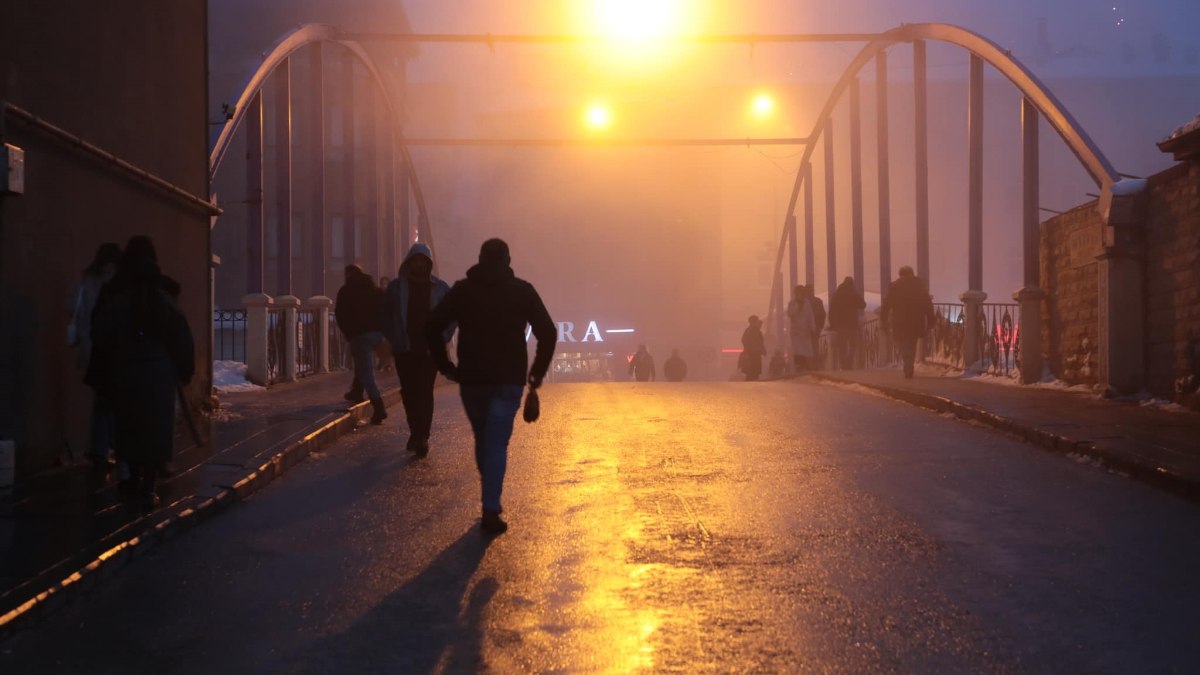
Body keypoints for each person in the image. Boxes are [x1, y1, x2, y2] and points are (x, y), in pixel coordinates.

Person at [426, 238, 555, 535]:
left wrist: (445, 365)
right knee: (496, 442)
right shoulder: (522, 291)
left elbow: (432, 327)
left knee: (484, 439)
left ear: (480, 258)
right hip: (509, 378)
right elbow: (548, 332)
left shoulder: (462, 291)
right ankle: (490, 507)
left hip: (472, 379)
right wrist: (535, 375)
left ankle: (490, 499)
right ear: (508, 260)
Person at [86, 236, 194, 509]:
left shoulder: (117, 300)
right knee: (155, 428)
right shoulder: (164, 300)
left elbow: (99, 333)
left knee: (129, 427)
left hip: (125, 371)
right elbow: (181, 336)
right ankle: (148, 485)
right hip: (158, 372)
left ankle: (131, 478)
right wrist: (183, 370)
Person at [382, 243, 451, 455]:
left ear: (428, 264)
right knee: (409, 393)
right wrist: (393, 338)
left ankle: (422, 436)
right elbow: (384, 316)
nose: (419, 265)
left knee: (424, 392)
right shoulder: (396, 288)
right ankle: (415, 431)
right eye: (416, 260)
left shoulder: (440, 289)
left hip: (429, 351)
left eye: (423, 261)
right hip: (405, 349)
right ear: (409, 262)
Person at [71, 242, 121, 469]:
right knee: (111, 401)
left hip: (93, 350)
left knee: (103, 400)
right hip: (110, 351)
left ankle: (101, 449)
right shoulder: (118, 285)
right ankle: (106, 447)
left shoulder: (86, 283)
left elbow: (72, 307)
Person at [335, 264, 387, 424]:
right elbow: (385, 309)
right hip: (376, 334)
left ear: (349, 275)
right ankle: (357, 391)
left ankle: (379, 406)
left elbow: (340, 314)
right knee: (362, 364)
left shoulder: (346, 291)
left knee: (366, 371)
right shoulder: (374, 289)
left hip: (359, 335)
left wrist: (349, 333)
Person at [880, 265, 936, 379]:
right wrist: (931, 319)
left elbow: (886, 304)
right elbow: (927, 304)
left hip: (900, 320)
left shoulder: (894, 286)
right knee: (912, 342)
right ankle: (910, 363)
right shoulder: (919, 285)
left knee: (903, 342)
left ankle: (907, 363)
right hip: (916, 319)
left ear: (901, 274)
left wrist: (883, 320)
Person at [829, 276, 866, 370]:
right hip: (852, 325)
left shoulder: (837, 294)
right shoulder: (853, 294)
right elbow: (862, 304)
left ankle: (843, 363)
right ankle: (849, 360)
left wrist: (833, 324)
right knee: (853, 345)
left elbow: (832, 310)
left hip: (840, 325)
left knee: (842, 346)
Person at [786, 285, 816, 373]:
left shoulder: (807, 303)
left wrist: (812, 326)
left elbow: (811, 316)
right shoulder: (792, 303)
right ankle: (799, 365)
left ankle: (806, 366)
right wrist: (797, 307)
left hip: (805, 331)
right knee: (798, 350)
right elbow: (790, 313)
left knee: (807, 350)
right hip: (796, 331)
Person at [739, 315, 766, 381]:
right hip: (752, 354)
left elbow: (760, 342)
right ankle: (751, 383)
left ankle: (752, 382)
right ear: (753, 322)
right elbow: (744, 340)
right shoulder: (751, 331)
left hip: (755, 353)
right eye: (756, 320)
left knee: (754, 371)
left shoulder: (755, 330)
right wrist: (749, 349)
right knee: (752, 371)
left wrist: (762, 349)